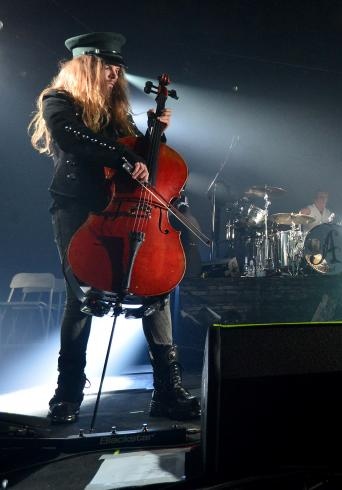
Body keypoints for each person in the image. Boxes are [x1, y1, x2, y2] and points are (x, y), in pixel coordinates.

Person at [29, 32, 200, 423]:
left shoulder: (118, 114)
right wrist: (122, 153)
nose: (117, 72)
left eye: (119, 66)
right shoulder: (58, 101)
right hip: (80, 208)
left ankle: (168, 391)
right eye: (108, 65)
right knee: (83, 292)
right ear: (86, 66)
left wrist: (155, 133)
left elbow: (142, 159)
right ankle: (68, 393)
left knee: (156, 288)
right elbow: (71, 137)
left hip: (125, 211)